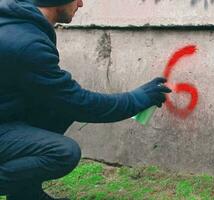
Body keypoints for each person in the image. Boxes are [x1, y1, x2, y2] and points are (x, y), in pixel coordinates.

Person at [0, 0, 172, 199]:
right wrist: (137, 99)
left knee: (56, 108)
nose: (81, 3)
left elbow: (65, 102)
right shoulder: (27, 43)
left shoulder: (17, 23)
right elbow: (81, 104)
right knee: (63, 153)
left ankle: (27, 196)